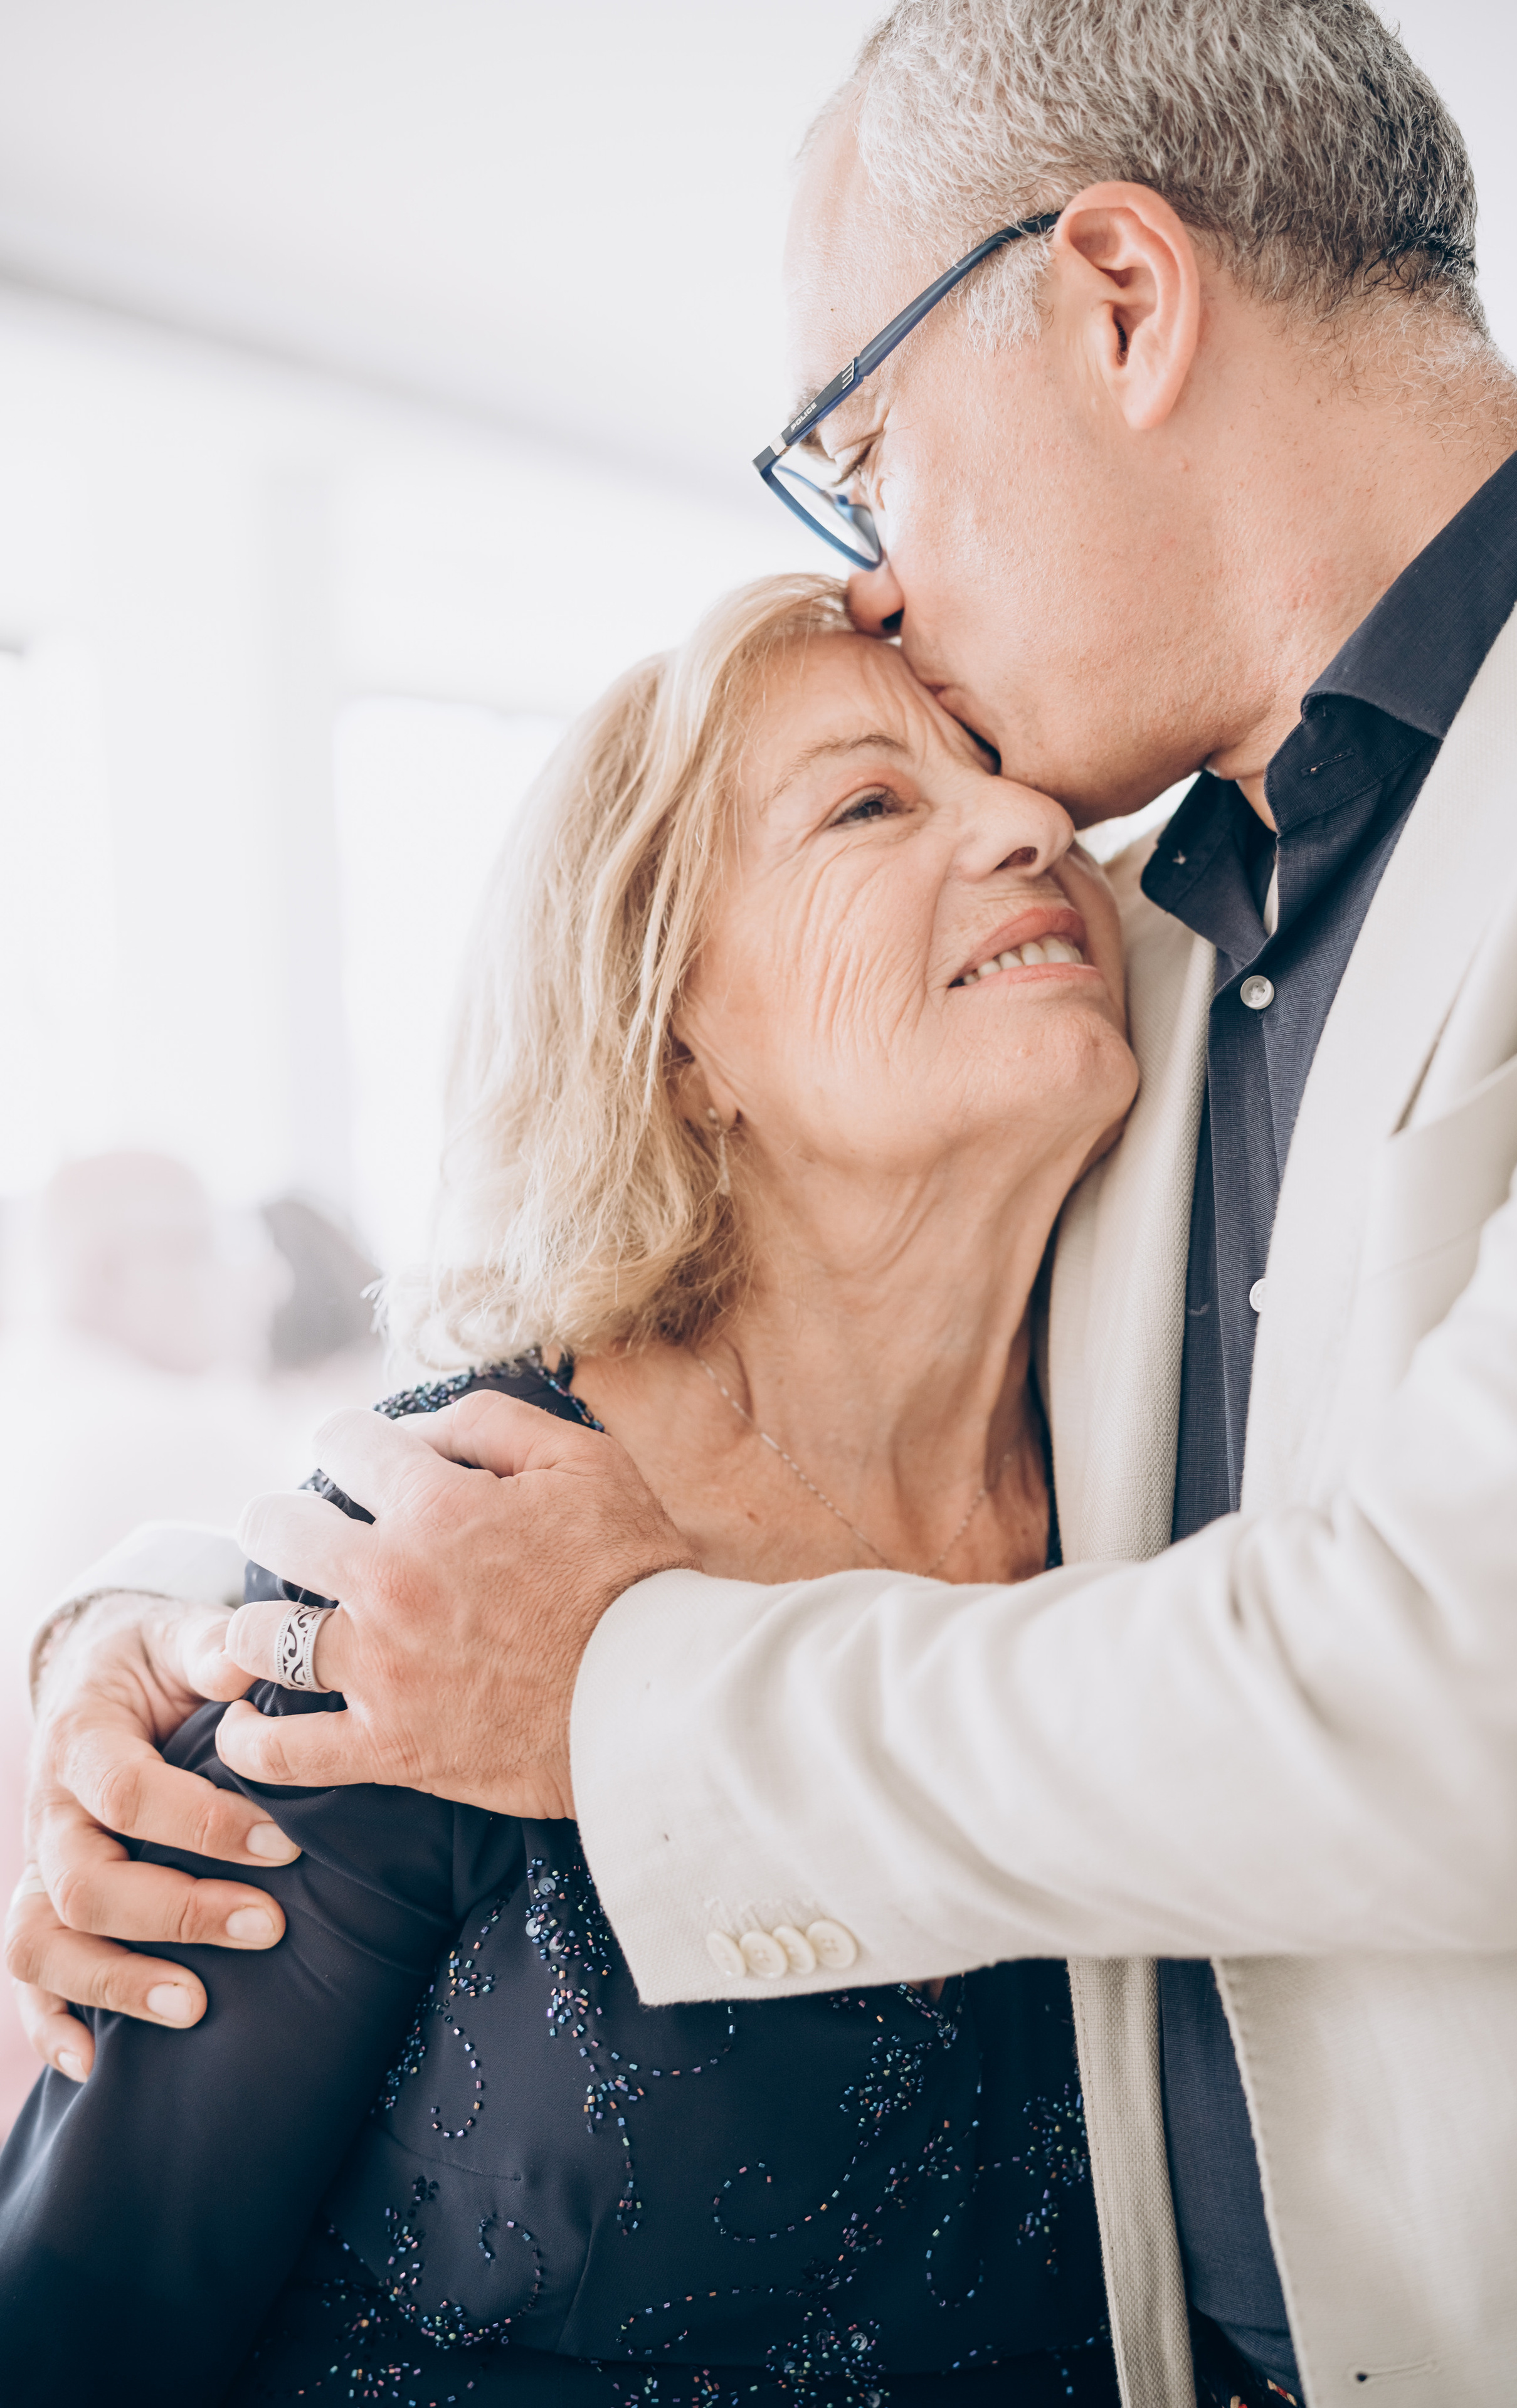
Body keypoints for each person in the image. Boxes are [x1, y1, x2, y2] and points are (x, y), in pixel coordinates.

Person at [12, 3, 1517, 2400]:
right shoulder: (1188, 922)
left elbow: (1472, 1683)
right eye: (886, 801)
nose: (884, 587)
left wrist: (609, 1686)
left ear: (1121, 302)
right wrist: (146, 1647)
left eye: (866, 450)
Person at [0, 575, 1136, 2404]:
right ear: (679, 1033)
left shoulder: (1178, 1521)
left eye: (1012, 778)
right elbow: (74, 2333)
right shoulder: (436, 1542)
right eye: (871, 803)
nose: (1032, 826)